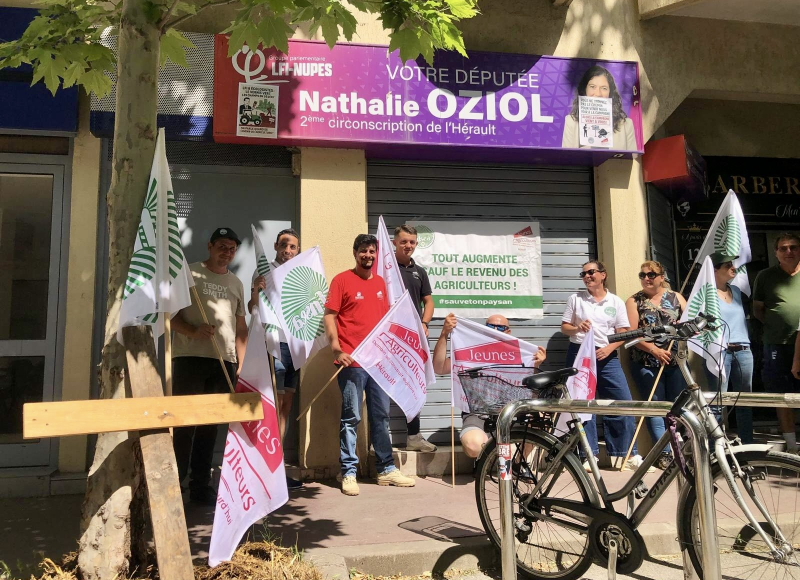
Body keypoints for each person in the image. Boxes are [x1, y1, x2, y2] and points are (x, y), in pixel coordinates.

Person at [324, 234, 416, 496]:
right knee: (351, 417)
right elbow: (329, 316)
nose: (368, 255)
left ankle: (386, 469)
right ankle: (348, 471)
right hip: (351, 362)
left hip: (378, 364)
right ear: (355, 253)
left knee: (381, 416)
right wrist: (337, 349)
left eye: (372, 251)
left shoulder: (380, 283)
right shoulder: (342, 280)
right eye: (363, 251)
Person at [171, 227, 248, 505]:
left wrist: (241, 364)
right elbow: (170, 317)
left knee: (210, 427)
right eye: (222, 246)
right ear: (210, 246)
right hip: (190, 359)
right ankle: (175, 486)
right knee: (184, 425)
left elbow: (241, 328)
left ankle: (201, 486)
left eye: (232, 249)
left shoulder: (236, 283)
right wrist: (193, 331)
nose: (227, 252)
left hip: (223, 362)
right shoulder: (188, 273)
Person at [561, 260, 644, 471]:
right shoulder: (575, 299)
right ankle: (588, 455)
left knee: (622, 401)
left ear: (603, 274)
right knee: (582, 404)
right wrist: (577, 328)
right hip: (580, 354)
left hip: (606, 355)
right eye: (583, 274)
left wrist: (609, 348)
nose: (587, 276)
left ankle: (626, 454)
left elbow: (623, 331)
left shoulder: (615, 301)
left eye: (591, 272)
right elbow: (565, 327)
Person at [432, 313, 546, 459]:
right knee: (473, 445)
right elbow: (439, 368)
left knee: (540, 418)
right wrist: (444, 334)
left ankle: (518, 462)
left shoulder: (519, 354)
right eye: (491, 326)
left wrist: (535, 366)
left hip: (509, 414)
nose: (495, 330)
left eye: (500, 327)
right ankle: (489, 461)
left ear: (508, 332)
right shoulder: (471, 351)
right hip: (478, 415)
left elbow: (531, 395)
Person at [248, 228, 303, 490]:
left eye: (293, 247)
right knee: (273, 404)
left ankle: (276, 467)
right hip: (274, 345)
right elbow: (252, 308)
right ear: (275, 246)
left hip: (295, 346)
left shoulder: (300, 274)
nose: (288, 250)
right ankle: (264, 468)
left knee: (286, 406)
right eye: (284, 245)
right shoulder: (264, 271)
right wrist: (256, 292)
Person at [625, 260, 688, 469]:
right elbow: (631, 335)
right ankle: (664, 454)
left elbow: (689, 324)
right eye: (642, 275)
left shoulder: (676, 297)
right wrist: (654, 350)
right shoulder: (634, 301)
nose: (646, 279)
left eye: (651, 275)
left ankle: (680, 449)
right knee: (656, 408)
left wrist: (685, 329)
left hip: (675, 361)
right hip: (647, 362)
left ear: (662, 277)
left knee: (676, 407)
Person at [753, 233, 800, 452]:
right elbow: (758, 310)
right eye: (783, 248)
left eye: (793, 247)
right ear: (776, 253)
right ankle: (791, 446)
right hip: (777, 344)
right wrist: (776, 325)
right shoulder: (765, 276)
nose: (789, 251)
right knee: (781, 394)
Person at [393, 224, 437, 453]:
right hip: (389, 338)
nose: (408, 245)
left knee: (414, 386)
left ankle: (413, 436)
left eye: (411, 242)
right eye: (403, 241)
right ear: (394, 243)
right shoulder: (385, 268)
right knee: (383, 385)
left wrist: (424, 323)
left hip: (414, 340)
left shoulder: (420, 271)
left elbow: (428, 302)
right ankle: (377, 439)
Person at [703, 252, 754, 444]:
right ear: (715, 270)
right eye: (727, 265)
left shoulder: (737, 292)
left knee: (744, 401)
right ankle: (714, 446)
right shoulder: (706, 293)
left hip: (743, 350)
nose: (733, 268)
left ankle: (748, 444)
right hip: (719, 351)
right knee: (717, 401)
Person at [561, 65, 637, 151]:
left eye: (604, 88)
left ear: (610, 93)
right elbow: (567, 156)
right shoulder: (571, 121)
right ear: (584, 89)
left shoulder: (626, 124)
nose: (598, 94)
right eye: (592, 87)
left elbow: (633, 157)